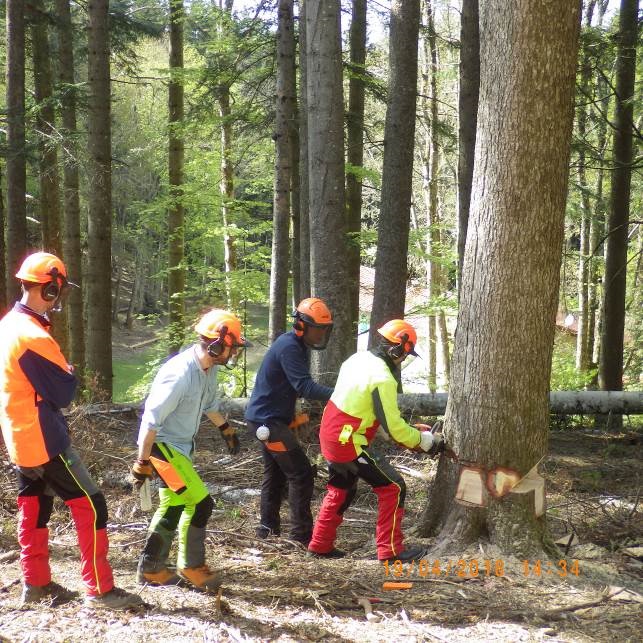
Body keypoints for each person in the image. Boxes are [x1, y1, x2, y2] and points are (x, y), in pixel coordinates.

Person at [0, 251, 144, 609]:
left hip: (18, 435)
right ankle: (99, 589)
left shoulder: (7, 326)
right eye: (58, 291)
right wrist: (69, 369)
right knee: (92, 506)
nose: (59, 299)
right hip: (44, 438)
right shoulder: (33, 336)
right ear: (49, 289)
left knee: (35, 504)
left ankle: (36, 584)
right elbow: (64, 393)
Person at [307, 319, 446, 562]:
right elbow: (393, 429)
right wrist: (427, 442)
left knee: (341, 489)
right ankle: (390, 551)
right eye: (405, 354)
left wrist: (411, 431)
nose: (404, 359)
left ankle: (320, 544)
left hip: (332, 434)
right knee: (393, 487)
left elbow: (369, 412)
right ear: (398, 348)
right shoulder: (383, 377)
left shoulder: (357, 359)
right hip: (348, 441)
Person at [131, 309, 248, 592]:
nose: (234, 354)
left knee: (172, 504)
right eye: (232, 347)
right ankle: (191, 565)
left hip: (181, 449)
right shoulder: (179, 374)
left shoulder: (207, 370)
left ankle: (151, 568)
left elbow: (208, 406)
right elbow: (151, 419)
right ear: (217, 345)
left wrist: (226, 430)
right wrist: (142, 461)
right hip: (162, 450)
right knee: (200, 503)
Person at [245, 297, 334, 546]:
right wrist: (340, 394)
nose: (321, 334)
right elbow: (303, 386)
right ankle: (301, 536)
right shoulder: (290, 346)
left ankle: (267, 529)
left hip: (272, 420)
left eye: (324, 329)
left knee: (275, 474)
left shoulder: (296, 345)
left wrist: (294, 416)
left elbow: (287, 387)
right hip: (267, 423)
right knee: (301, 473)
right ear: (302, 325)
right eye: (318, 328)